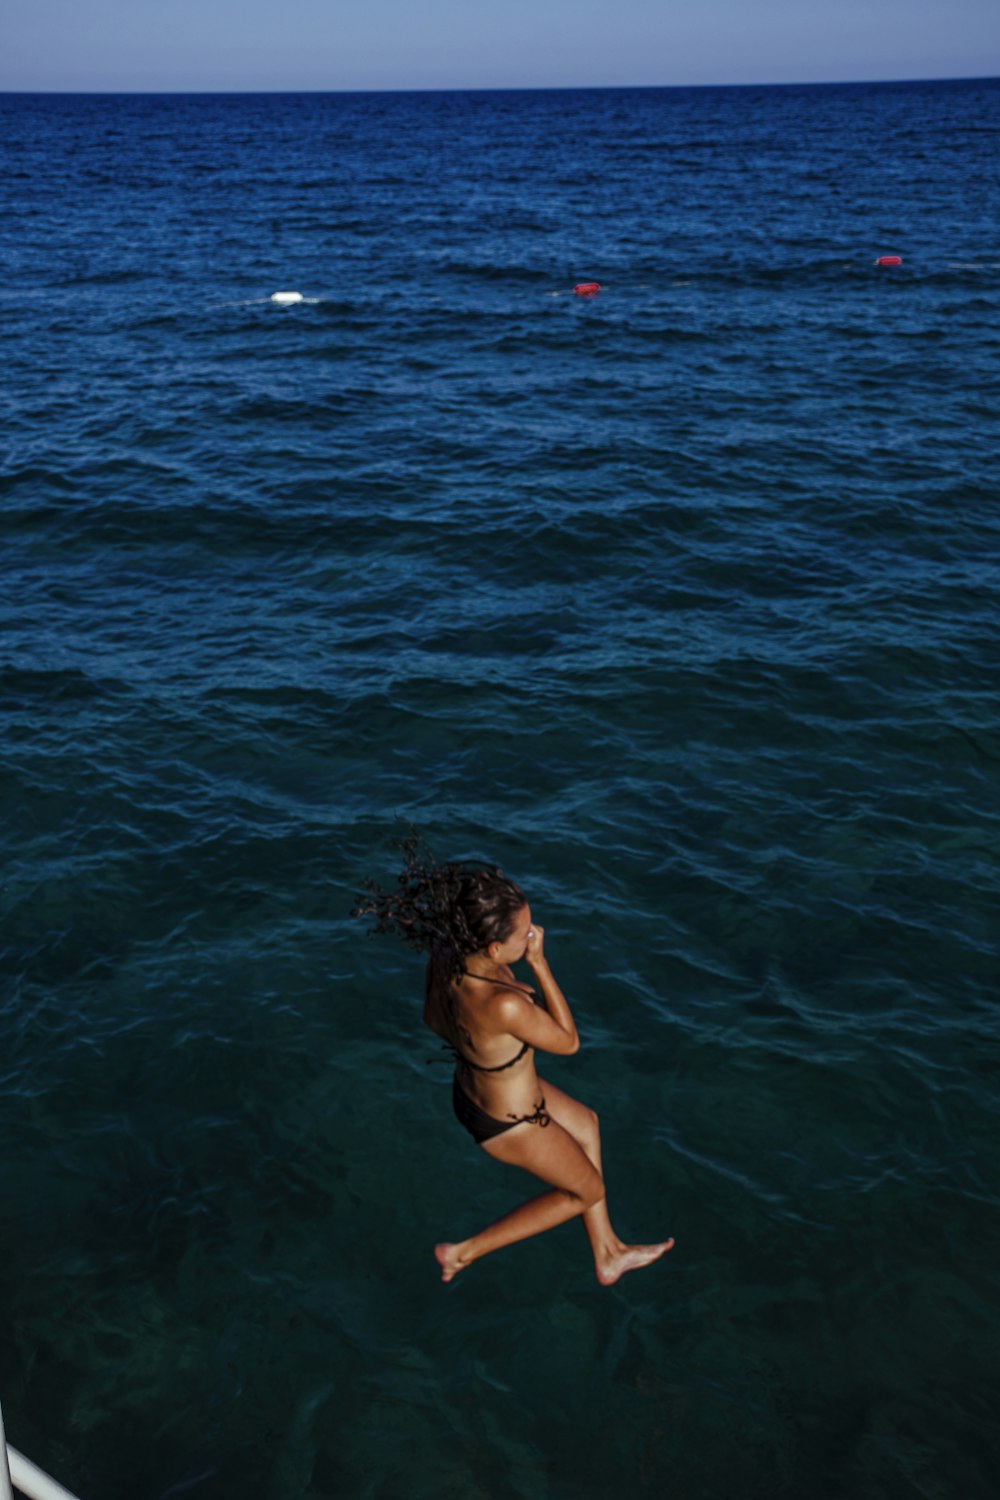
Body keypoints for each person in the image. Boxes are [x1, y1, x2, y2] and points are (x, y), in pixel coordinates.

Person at [356, 840, 674, 1284]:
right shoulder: (503, 1005)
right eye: (521, 935)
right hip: (511, 1121)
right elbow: (568, 1042)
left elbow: (432, 1017)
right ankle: (463, 1252)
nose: (530, 935)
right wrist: (540, 965)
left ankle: (608, 1253)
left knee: (587, 1125)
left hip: (474, 1092)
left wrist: (482, 1049)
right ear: (491, 948)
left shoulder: (448, 957)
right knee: (586, 1191)